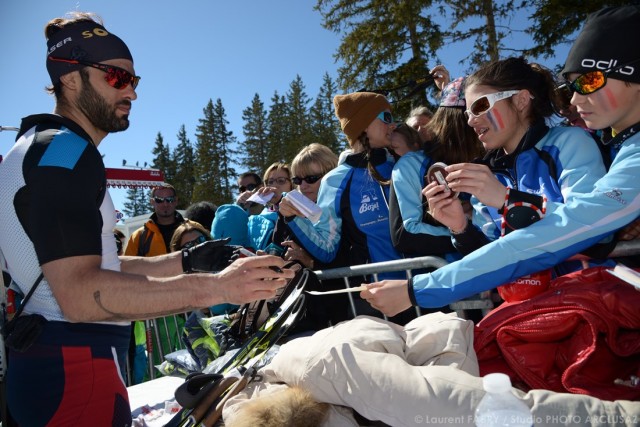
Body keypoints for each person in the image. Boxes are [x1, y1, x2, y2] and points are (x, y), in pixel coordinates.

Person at [0, 12, 292, 425]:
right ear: (70, 79)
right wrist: (216, 288)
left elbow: (96, 265)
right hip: (73, 366)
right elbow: (81, 294)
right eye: (116, 78)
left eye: (133, 81)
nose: (131, 93)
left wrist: (187, 261)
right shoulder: (64, 155)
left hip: (56, 357)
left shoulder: (45, 149)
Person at [361, 4, 640, 316]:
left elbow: (587, 233)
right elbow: (498, 258)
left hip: (593, 309)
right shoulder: (491, 172)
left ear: (521, 100)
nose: (469, 120)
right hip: (539, 315)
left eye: (480, 106)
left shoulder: (568, 143)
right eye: (466, 111)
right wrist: (460, 226)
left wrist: (507, 200)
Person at [280, 92, 415, 324]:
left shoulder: (405, 163)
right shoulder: (336, 180)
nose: (392, 123)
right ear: (362, 124)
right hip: (376, 300)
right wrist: (293, 218)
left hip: (423, 288)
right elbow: (326, 247)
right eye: (385, 116)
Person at [389, 76, 484, 260]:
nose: (478, 119)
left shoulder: (492, 155)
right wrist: (466, 233)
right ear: (458, 118)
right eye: (475, 110)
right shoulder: (412, 165)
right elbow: (404, 234)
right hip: (452, 275)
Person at [124, 183, 185, 256]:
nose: (165, 204)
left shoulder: (193, 229)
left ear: (176, 201)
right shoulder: (138, 237)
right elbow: (129, 265)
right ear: (152, 202)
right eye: (159, 200)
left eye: (170, 199)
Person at [249, 162, 294, 252]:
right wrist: (241, 207)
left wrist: (281, 201)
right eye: (270, 182)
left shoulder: (299, 212)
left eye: (281, 181)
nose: (274, 186)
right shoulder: (257, 215)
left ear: (291, 184)